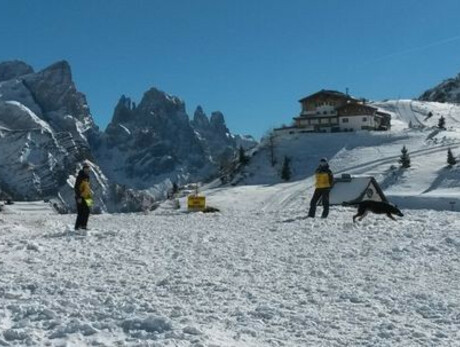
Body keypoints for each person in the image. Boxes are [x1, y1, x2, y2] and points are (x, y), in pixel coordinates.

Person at [74, 163, 92, 230]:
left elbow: (87, 188)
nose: (87, 170)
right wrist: (78, 197)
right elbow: (76, 187)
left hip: (87, 196)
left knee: (87, 212)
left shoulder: (87, 177)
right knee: (81, 212)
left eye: (88, 169)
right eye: (86, 169)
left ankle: (84, 226)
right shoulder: (80, 177)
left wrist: (90, 200)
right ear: (83, 169)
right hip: (81, 197)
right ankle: (77, 227)